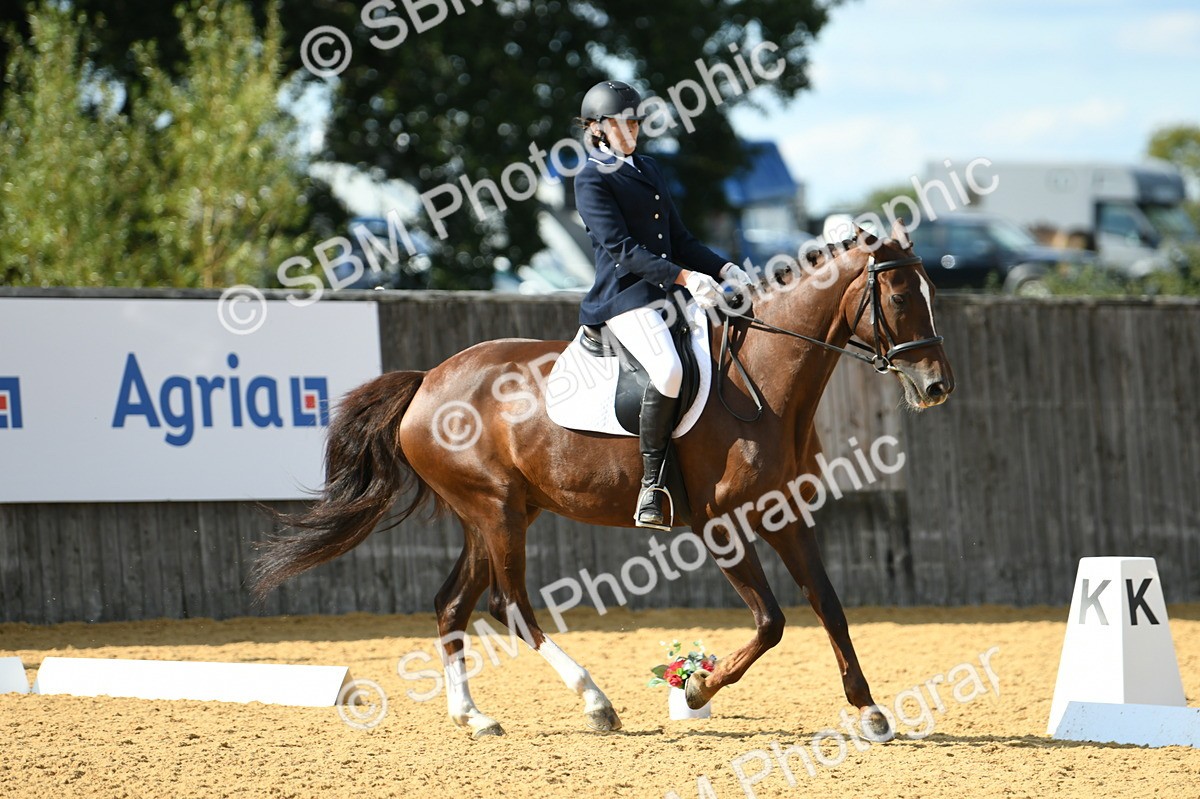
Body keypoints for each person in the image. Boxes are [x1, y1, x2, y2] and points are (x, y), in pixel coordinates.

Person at [572, 79, 752, 531]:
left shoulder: (648, 168)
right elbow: (623, 249)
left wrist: (724, 267)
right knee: (669, 371)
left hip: (671, 291)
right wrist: (687, 278)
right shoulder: (591, 178)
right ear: (597, 128)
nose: (633, 128)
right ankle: (651, 486)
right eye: (623, 122)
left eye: (635, 120)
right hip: (624, 298)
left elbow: (680, 239)